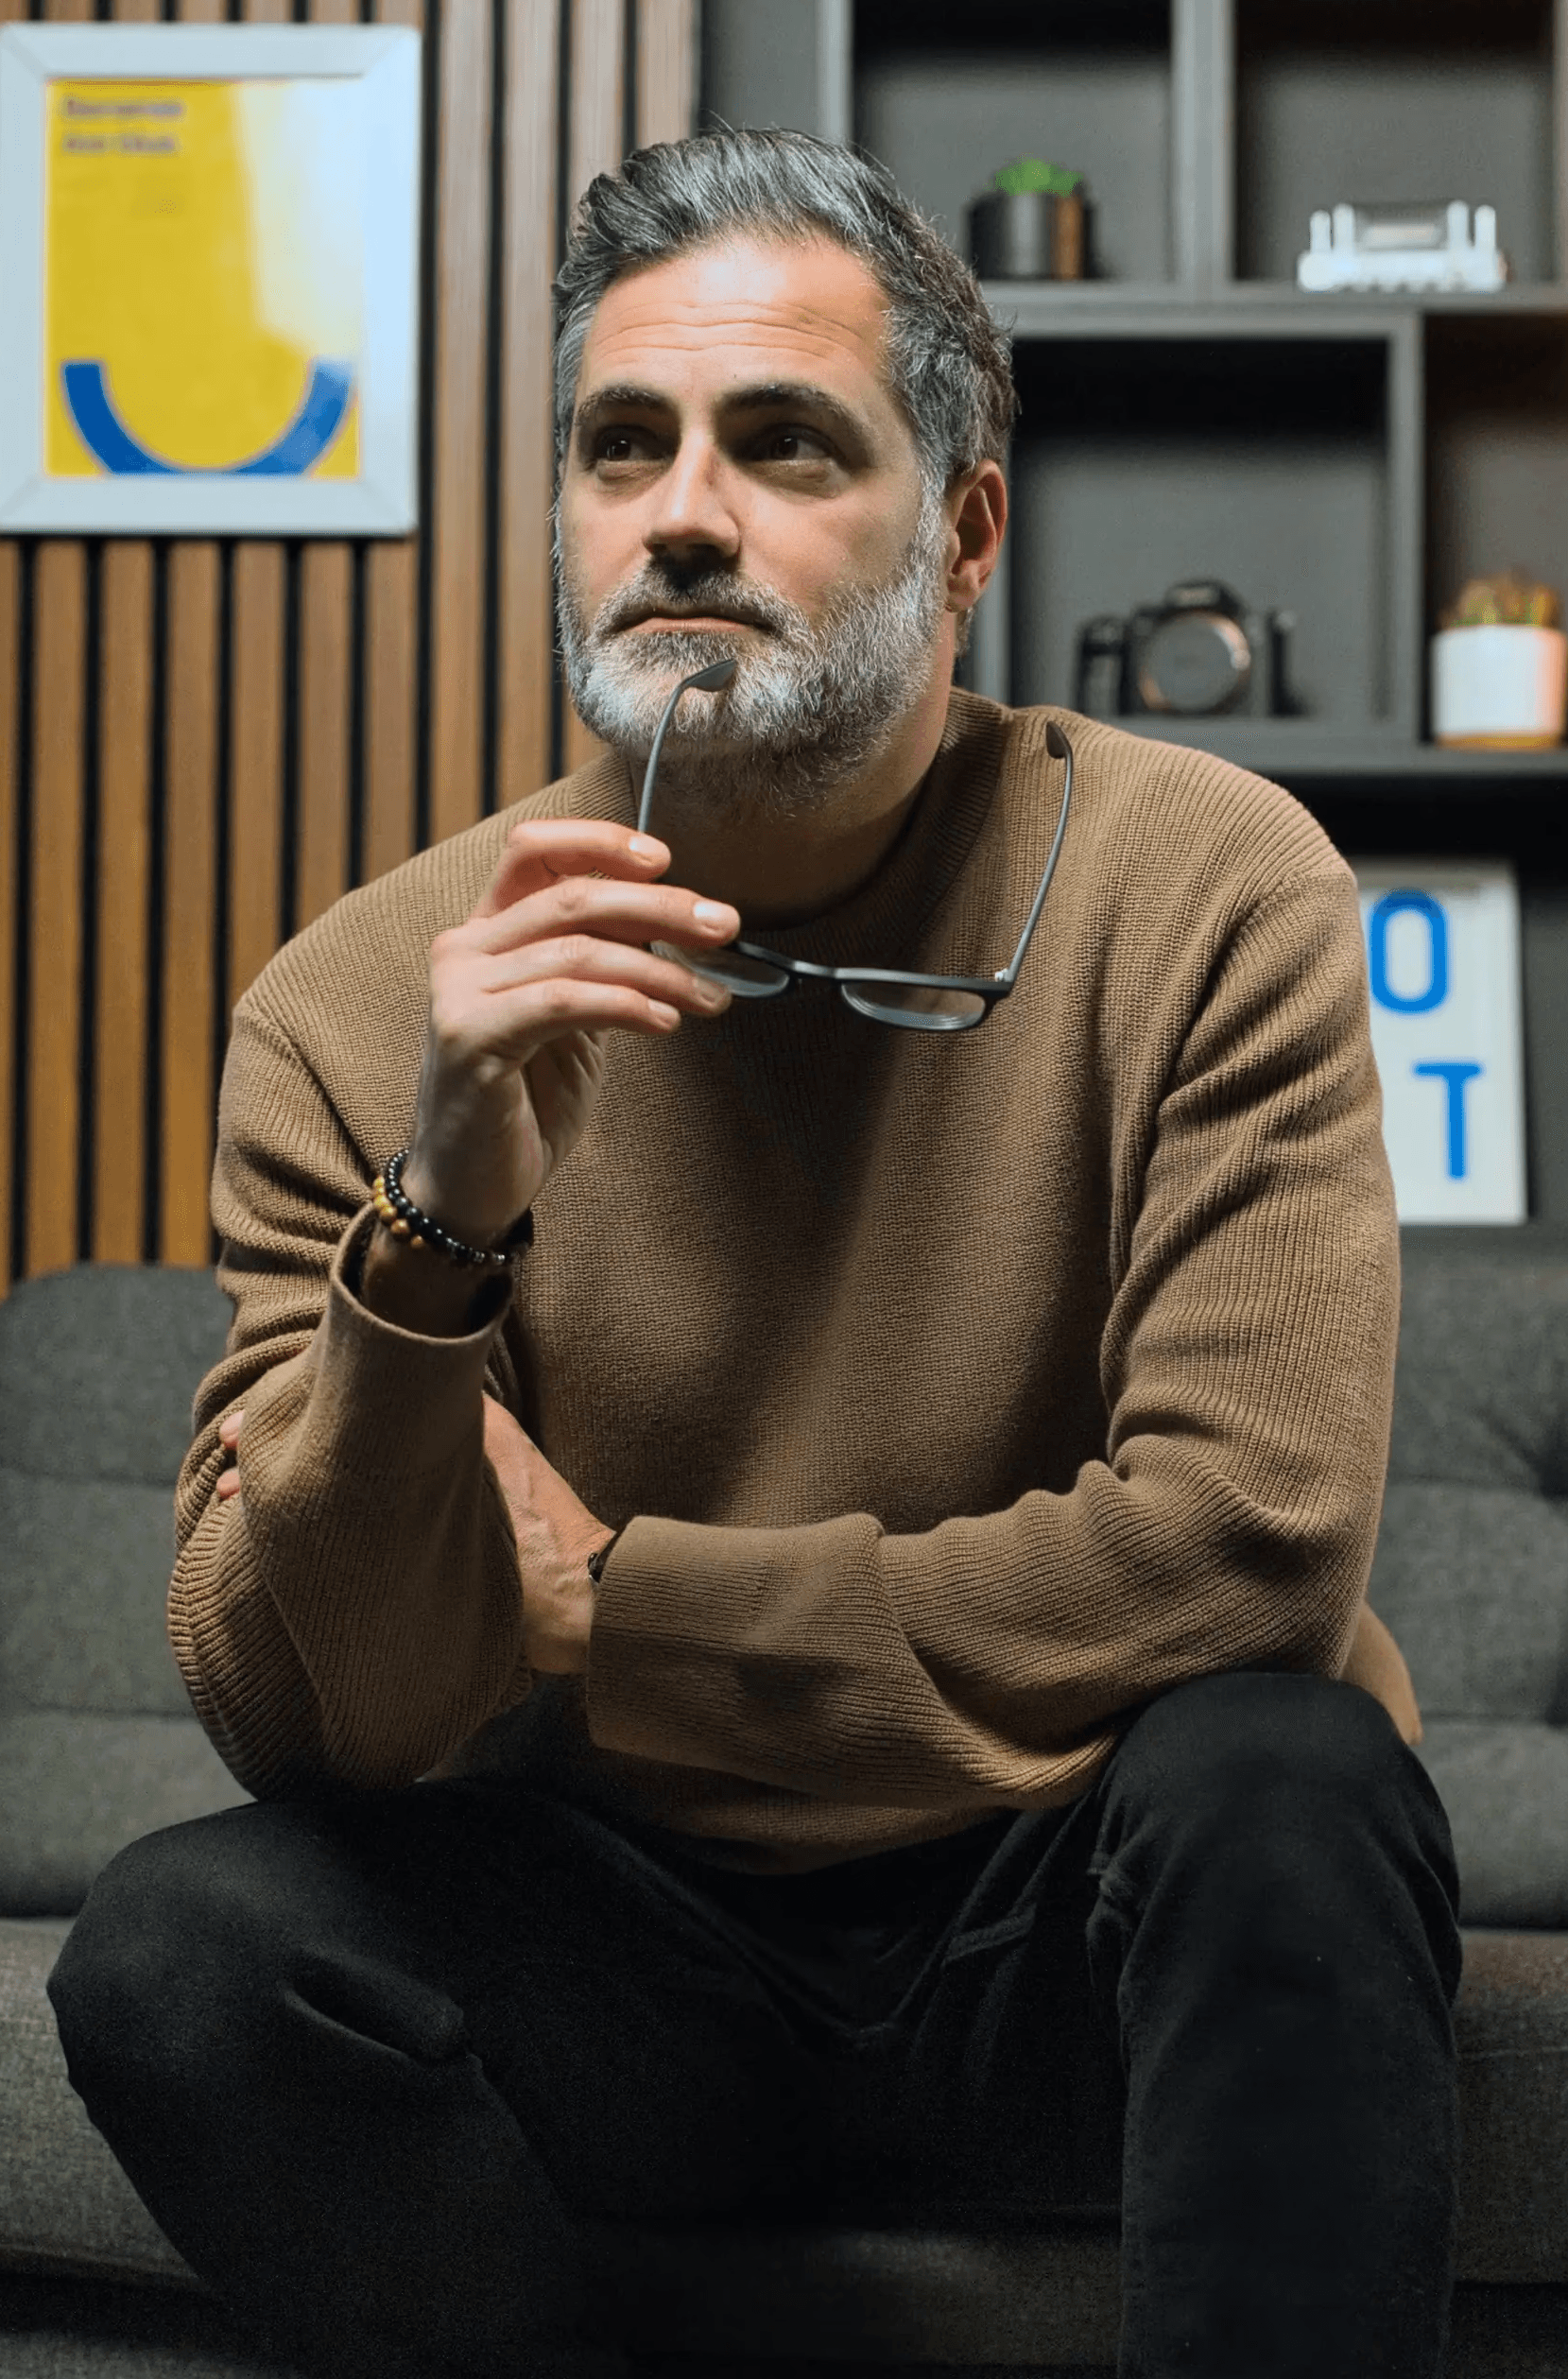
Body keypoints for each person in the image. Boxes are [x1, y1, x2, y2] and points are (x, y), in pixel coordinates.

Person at [48, 129, 1460, 2379]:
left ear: (964, 527)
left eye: (784, 442)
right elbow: (312, 1707)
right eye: (623, 444)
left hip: (1072, 1928)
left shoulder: (1211, 887)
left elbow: (1247, 1544)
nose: (681, 512)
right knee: (180, 1948)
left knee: (1285, 1781)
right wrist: (437, 1223)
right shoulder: (362, 1003)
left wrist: (613, 1602)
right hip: (627, 1948)